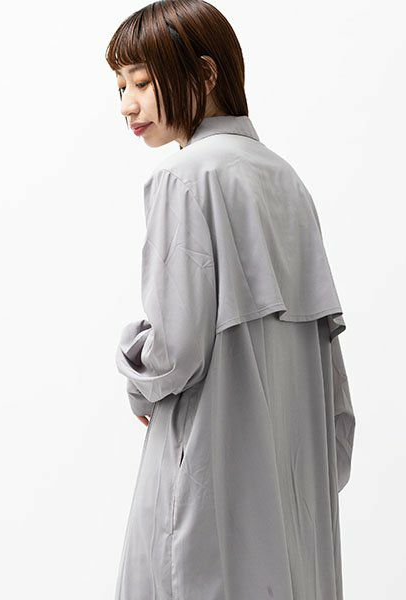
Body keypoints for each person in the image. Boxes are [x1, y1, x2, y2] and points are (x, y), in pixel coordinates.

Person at [106, 1, 356, 599]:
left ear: (206, 73)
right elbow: (334, 395)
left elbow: (174, 352)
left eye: (142, 82)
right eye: (120, 87)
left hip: (207, 486)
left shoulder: (185, 177)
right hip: (289, 512)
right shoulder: (286, 180)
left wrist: (134, 369)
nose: (127, 105)